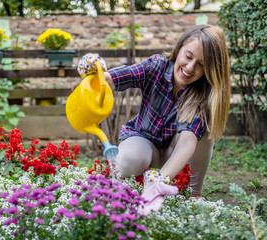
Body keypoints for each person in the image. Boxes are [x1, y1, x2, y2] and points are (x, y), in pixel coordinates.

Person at [77, 24, 231, 215]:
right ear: (179, 48)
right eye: (189, 57)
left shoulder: (202, 95)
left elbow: (186, 144)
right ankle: (139, 180)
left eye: (201, 65)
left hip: (174, 158)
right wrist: (96, 72)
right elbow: (118, 77)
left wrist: (159, 183)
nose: (190, 68)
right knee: (126, 161)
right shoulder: (157, 66)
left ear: (210, 69)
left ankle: (193, 194)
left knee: (205, 134)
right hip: (144, 144)